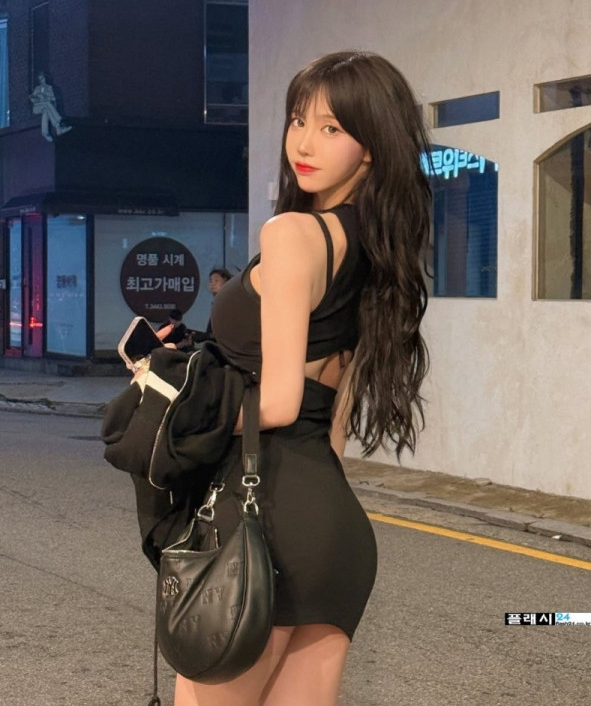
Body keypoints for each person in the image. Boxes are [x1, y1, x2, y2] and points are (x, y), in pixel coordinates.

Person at [172, 51, 432, 706]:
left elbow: (282, 401)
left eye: (331, 128)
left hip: (264, 515)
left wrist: (179, 409)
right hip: (335, 530)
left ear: (370, 147)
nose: (304, 143)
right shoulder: (376, 254)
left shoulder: (293, 234)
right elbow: (334, 425)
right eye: (298, 120)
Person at [29, 72, 72, 141]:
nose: (42, 80)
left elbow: (53, 98)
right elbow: (32, 99)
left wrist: (46, 97)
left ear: (45, 78)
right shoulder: (37, 88)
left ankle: (45, 133)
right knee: (47, 104)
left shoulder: (49, 88)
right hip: (38, 107)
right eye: (40, 79)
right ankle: (59, 124)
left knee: (46, 111)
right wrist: (39, 99)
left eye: (43, 78)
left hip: (46, 107)